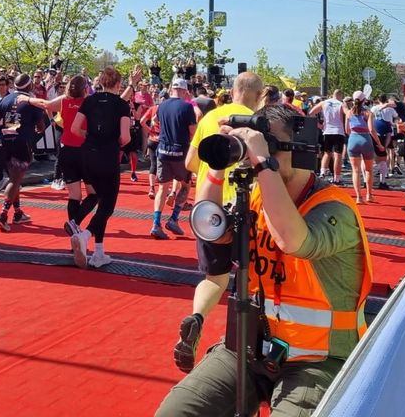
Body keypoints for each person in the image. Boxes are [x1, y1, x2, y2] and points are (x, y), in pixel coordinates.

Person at [155, 104, 374, 416]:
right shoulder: (256, 195)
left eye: (268, 144)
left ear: (298, 148)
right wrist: (218, 166)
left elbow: (293, 240)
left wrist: (263, 163)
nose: (257, 157)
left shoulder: (335, 207)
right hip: (250, 346)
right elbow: (211, 229)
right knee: (175, 412)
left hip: (317, 358)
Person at [175, 71, 263, 374]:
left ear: (233, 90)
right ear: (259, 95)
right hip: (249, 205)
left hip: (210, 209)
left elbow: (189, 164)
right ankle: (248, 344)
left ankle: (197, 318)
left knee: (215, 276)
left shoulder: (210, 117)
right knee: (252, 278)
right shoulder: (260, 122)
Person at [17, 76, 97, 256]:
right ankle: (74, 223)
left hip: (67, 150)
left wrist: (28, 99)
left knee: (74, 195)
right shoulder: (89, 102)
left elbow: (45, 104)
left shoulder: (64, 100)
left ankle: (74, 238)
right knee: (94, 194)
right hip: (84, 151)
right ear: (85, 89)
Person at [67, 67, 137, 267]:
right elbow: (125, 137)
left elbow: (74, 128)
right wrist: (115, 143)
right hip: (107, 157)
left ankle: (99, 252)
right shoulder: (121, 105)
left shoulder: (89, 101)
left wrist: (90, 138)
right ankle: (85, 235)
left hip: (88, 156)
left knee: (98, 200)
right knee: (107, 206)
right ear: (117, 84)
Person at [0, 74, 45, 232]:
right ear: (29, 86)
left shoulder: (5, 99)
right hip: (21, 142)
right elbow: (41, 127)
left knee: (13, 177)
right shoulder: (31, 101)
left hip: (4, 141)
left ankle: (17, 213)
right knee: (15, 180)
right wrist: (35, 130)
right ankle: (3, 215)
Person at [151, 78, 198, 240]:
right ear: (184, 91)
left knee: (162, 188)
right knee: (186, 186)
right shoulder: (187, 107)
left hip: (163, 150)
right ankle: (174, 218)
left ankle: (156, 223)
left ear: (172, 89)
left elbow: (154, 121)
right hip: (180, 151)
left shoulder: (162, 105)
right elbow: (193, 131)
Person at [344, 91, 382, 204]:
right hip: (365, 139)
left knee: (355, 171)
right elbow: (371, 130)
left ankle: (358, 197)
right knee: (369, 170)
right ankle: (369, 195)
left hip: (353, 139)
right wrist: (379, 144)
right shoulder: (368, 113)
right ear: (364, 100)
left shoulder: (349, 113)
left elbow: (347, 130)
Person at [308, 90, 345, 182]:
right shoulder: (341, 104)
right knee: (338, 155)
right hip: (338, 131)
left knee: (327, 153)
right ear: (340, 96)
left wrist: (318, 125)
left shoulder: (324, 102)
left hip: (327, 131)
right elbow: (348, 115)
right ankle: (337, 177)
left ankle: (322, 173)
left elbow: (311, 113)